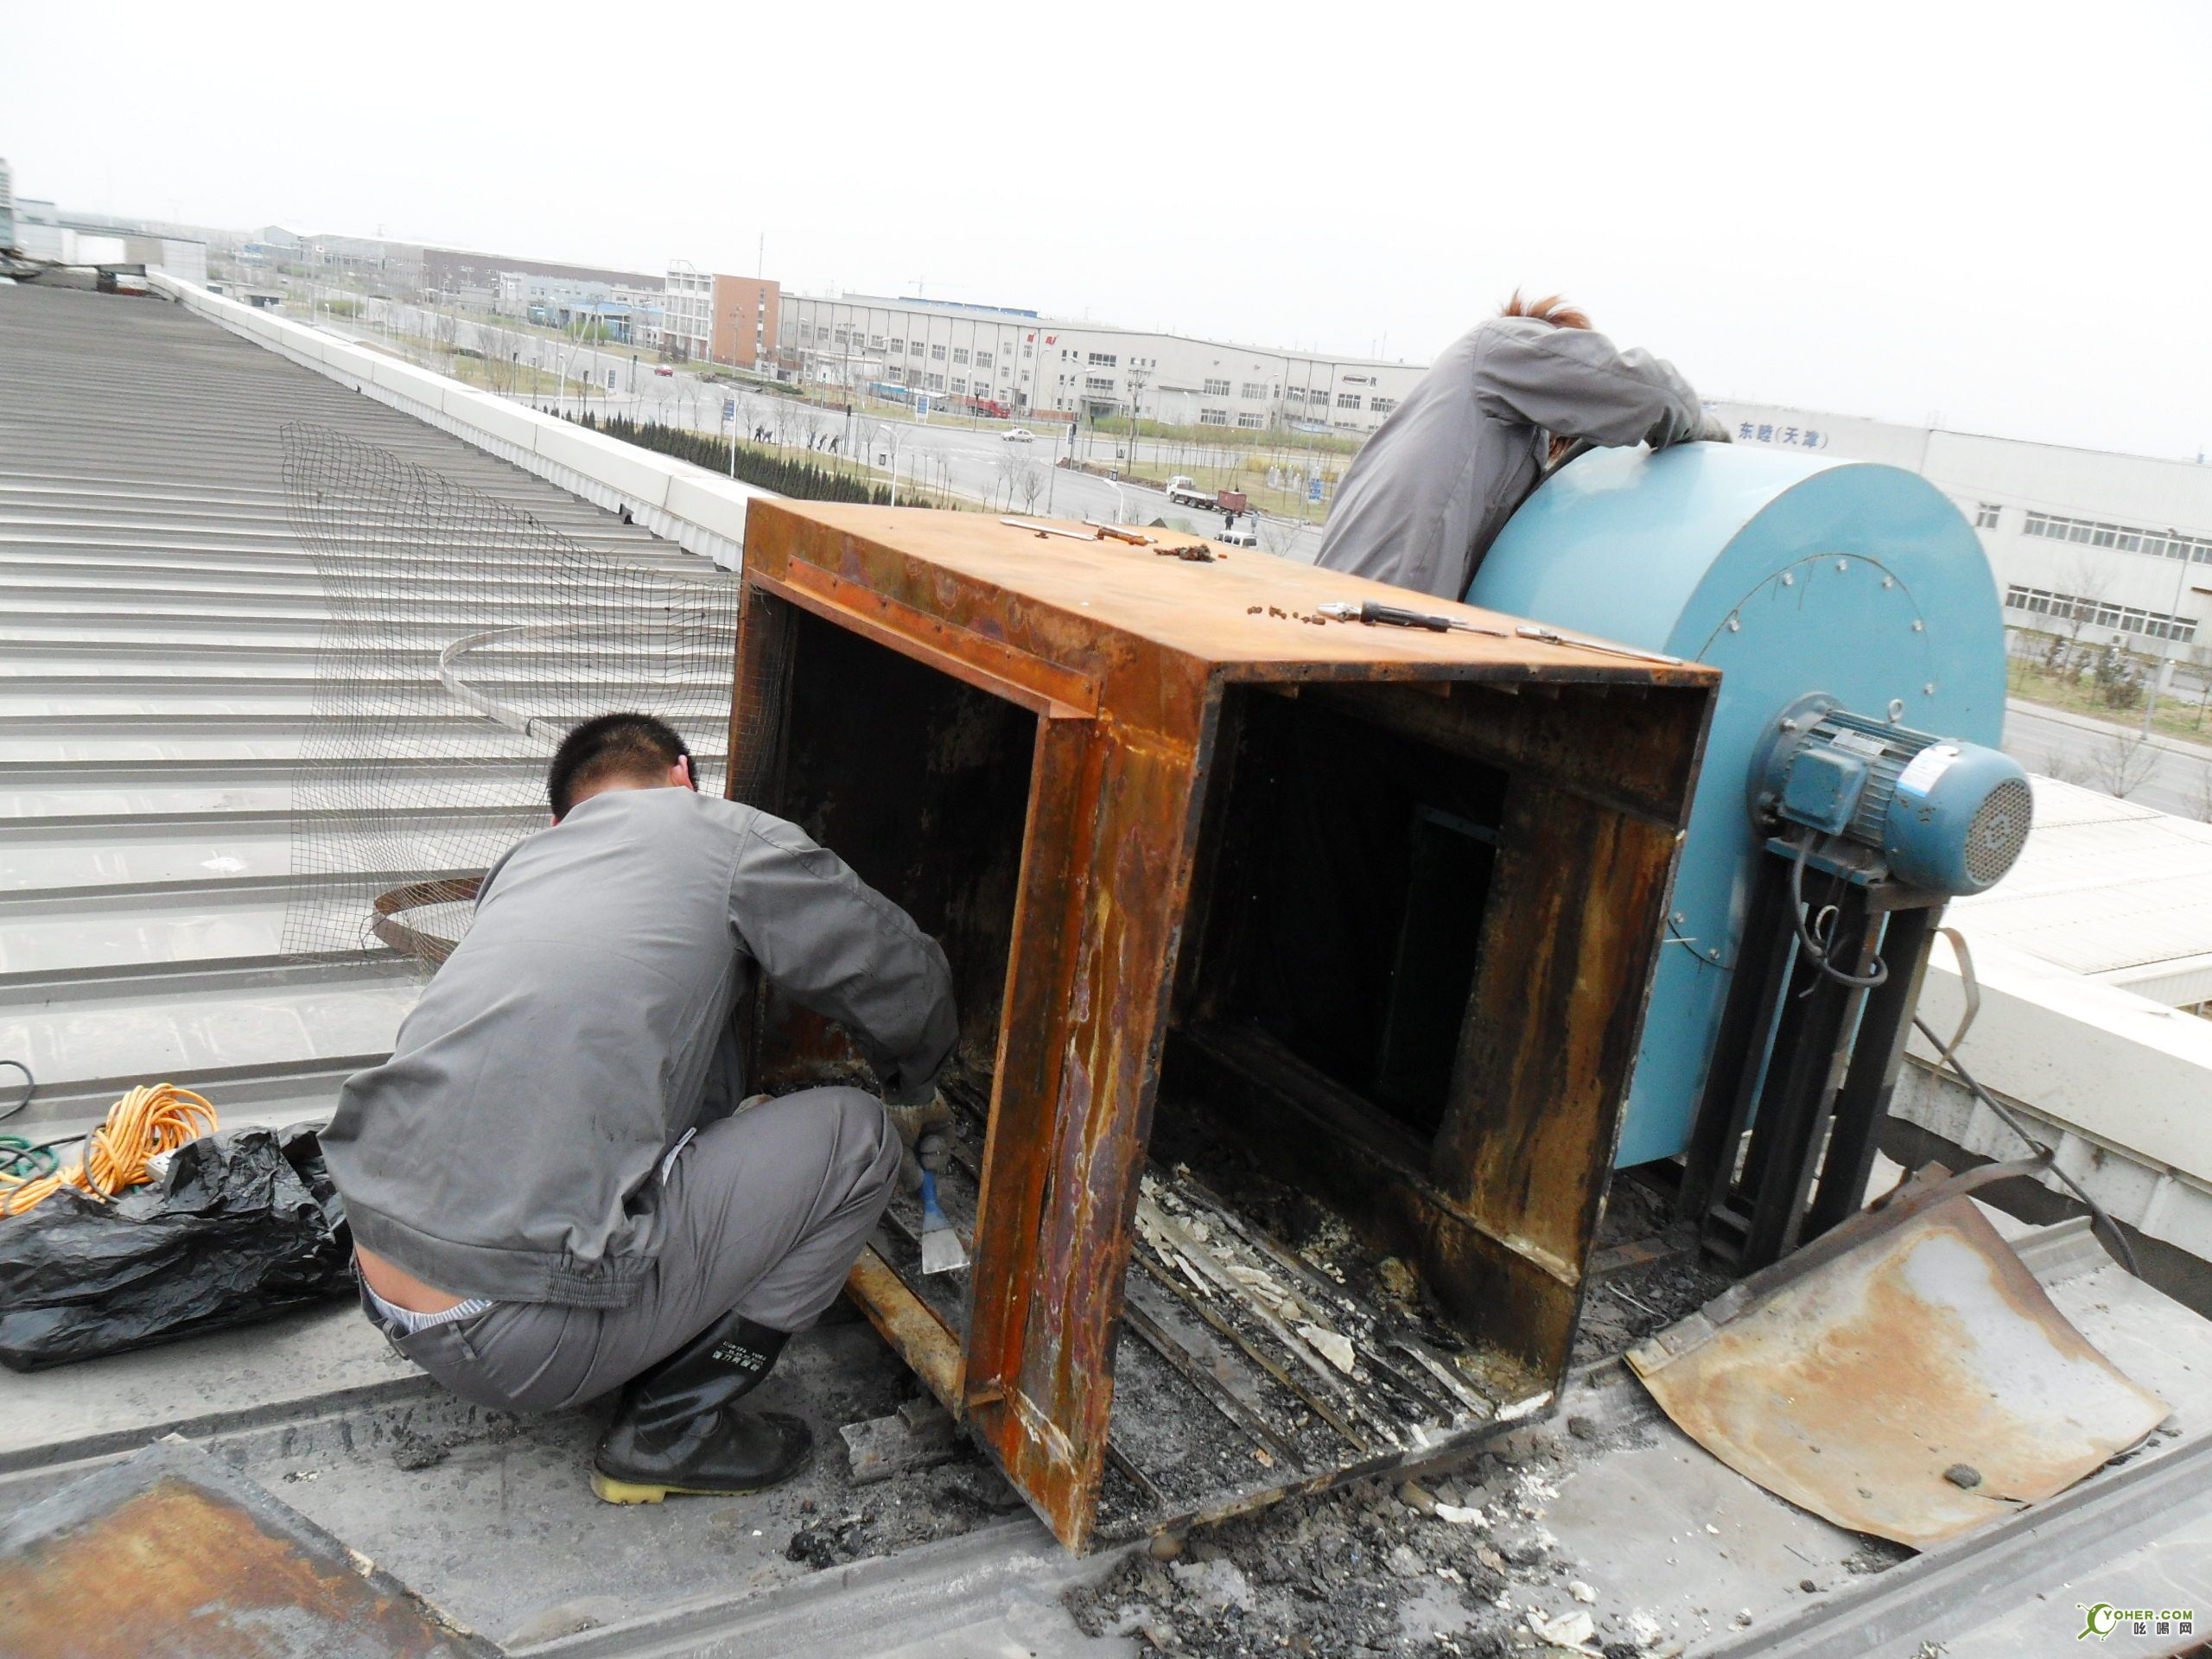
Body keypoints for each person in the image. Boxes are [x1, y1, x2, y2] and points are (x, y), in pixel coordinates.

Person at [324, 712, 957, 1505]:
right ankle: (672, 1429)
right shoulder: (725, 836)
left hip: (384, 1277)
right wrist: (916, 1084)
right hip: (513, 1334)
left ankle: (618, 1344)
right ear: (684, 777)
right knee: (857, 1140)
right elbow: (901, 978)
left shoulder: (524, 866)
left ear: (563, 820)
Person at [1315, 291, 1729, 601]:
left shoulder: (1478, 413)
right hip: (1381, 604)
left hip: (1352, 598)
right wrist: (1708, 432)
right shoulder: (1504, 345)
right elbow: (1650, 393)